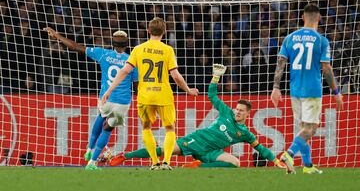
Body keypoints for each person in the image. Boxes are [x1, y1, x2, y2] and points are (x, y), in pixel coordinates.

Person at [108, 64, 286, 169]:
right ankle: (126, 156)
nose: (237, 111)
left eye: (241, 111)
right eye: (237, 109)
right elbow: (212, 96)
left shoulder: (245, 133)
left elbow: (261, 148)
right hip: (197, 140)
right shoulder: (226, 112)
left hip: (212, 152)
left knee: (235, 163)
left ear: (248, 114)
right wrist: (215, 78)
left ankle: (197, 165)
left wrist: (276, 160)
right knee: (163, 151)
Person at [101, 17, 199, 170]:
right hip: (163, 96)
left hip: (145, 96)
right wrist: (188, 90)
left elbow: (125, 71)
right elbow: (176, 76)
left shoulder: (138, 49)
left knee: (146, 128)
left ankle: (154, 162)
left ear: (148, 31)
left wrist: (109, 90)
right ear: (164, 32)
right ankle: (166, 162)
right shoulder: (167, 50)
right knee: (170, 128)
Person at [44, 27, 138, 170]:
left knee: (101, 117)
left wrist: (57, 36)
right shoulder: (132, 61)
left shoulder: (103, 54)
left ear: (112, 43)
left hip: (105, 98)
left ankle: (89, 150)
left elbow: (75, 47)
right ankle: (92, 162)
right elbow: (137, 83)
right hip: (121, 101)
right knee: (107, 129)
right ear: (127, 44)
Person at [270, 4, 344, 174]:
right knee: (311, 129)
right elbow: (326, 68)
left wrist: (275, 87)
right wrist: (336, 92)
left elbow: (281, 63)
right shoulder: (322, 41)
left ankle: (308, 166)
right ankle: (289, 154)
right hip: (312, 90)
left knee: (304, 129)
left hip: (295, 90)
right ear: (319, 18)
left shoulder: (289, 38)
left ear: (302, 17)